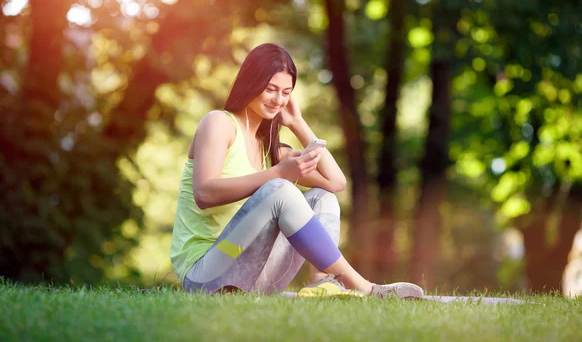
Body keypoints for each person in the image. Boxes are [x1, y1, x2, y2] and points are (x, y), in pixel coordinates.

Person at [169, 43, 424, 298]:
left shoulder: (271, 149)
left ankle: (323, 284)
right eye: (270, 89)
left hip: (253, 277)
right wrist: (279, 174)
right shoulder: (219, 123)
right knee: (279, 189)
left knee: (322, 198)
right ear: (251, 82)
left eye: (285, 92)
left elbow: (335, 182)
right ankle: (366, 288)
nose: (278, 100)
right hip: (204, 274)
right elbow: (204, 194)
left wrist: (297, 123)